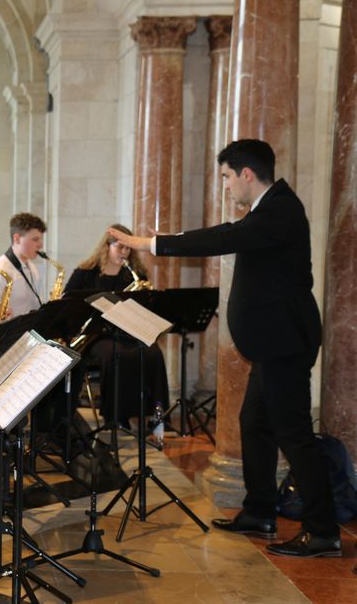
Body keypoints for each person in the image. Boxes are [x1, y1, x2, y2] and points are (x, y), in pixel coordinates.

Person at [111, 139, 338, 558]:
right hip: (273, 344)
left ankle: (323, 530)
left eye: (227, 177)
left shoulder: (280, 210)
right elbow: (231, 237)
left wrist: (151, 244)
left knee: (294, 434)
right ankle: (260, 511)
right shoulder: (269, 209)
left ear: (247, 174)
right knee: (254, 422)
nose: (227, 186)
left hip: (285, 343)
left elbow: (223, 237)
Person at [65, 225, 170, 429]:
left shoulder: (135, 275)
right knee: (116, 354)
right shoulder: (85, 273)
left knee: (153, 353)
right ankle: (116, 416)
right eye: (120, 247)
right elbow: (67, 303)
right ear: (107, 246)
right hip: (96, 335)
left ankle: (155, 416)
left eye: (128, 248)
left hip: (127, 333)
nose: (124, 252)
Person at [0, 213, 47, 319]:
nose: (41, 245)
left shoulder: (32, 267)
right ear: (17, 239)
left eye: (40, 239)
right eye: (35, 239)